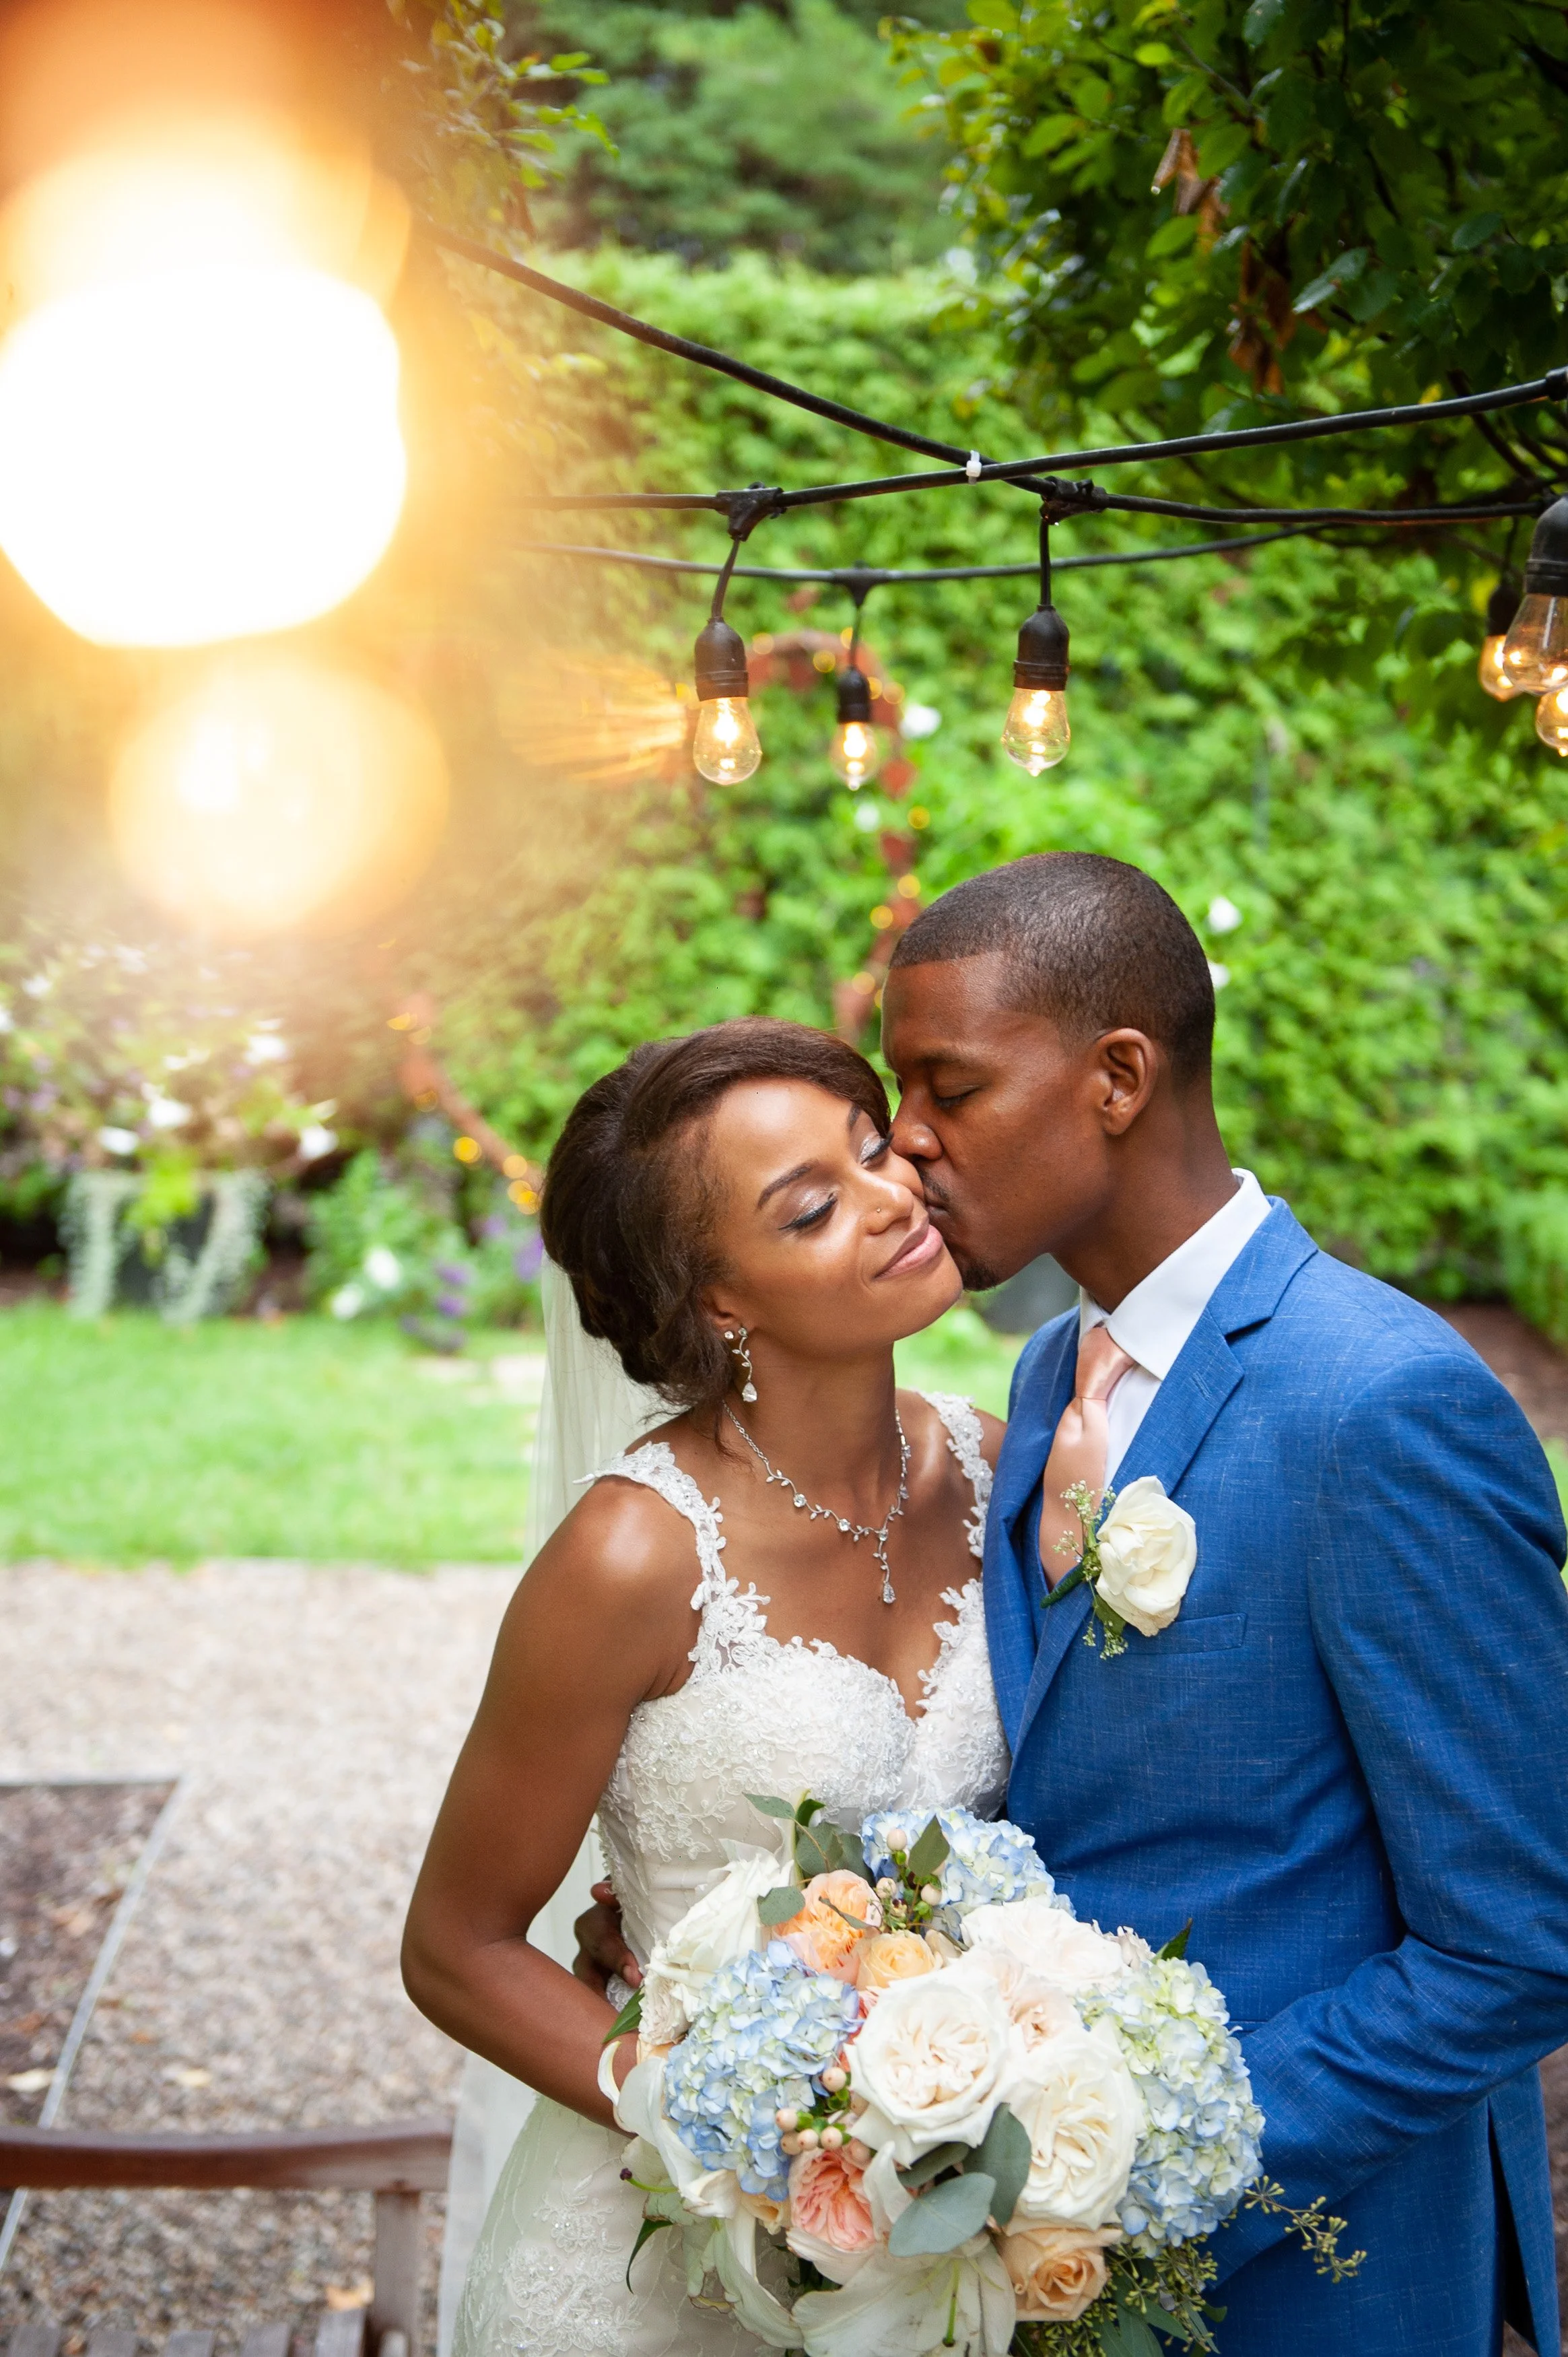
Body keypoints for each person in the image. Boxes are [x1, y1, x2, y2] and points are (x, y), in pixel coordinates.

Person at [580, 853, 1568, 2357]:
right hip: (1027, 2279)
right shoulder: (1042, 1385)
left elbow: (1521, 1938)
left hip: (1312, 2269)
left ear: (1118, 1077)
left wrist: (1121, 2166)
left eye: (946, 1087)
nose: (907, 1143)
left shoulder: (1381, 1404)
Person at [401, 1018, 1008, 2357]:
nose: (894, 1198)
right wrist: (716, 2126)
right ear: (717, 1299)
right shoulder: (631, 1553)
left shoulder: (997, 1468)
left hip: (938, 2252)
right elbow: (457, 1944)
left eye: (869, 1150)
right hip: (644, 2274)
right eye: (812, 1208)